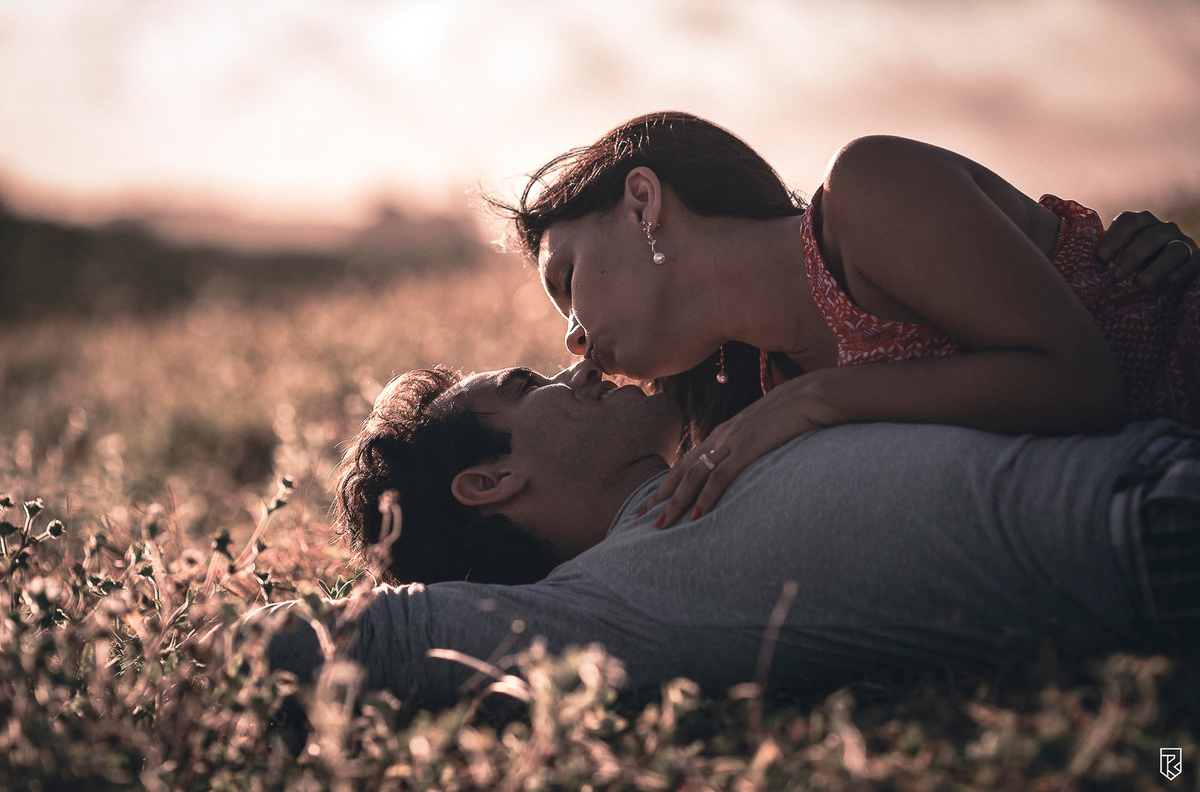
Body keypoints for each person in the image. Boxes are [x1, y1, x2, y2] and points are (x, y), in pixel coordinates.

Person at [266, 360, 1200, 709]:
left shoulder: (734, 421)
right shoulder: (615, 598)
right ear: (493, 480)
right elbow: (361, 638)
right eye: (527, 383)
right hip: (1154, 534)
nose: (578, 366)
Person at [491, 112, 1200, 527]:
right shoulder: (764, 399)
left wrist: (818, 401)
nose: (572, 336)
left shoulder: (869, 189)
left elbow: (1082, 383)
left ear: (643, 202)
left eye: (568, 281)